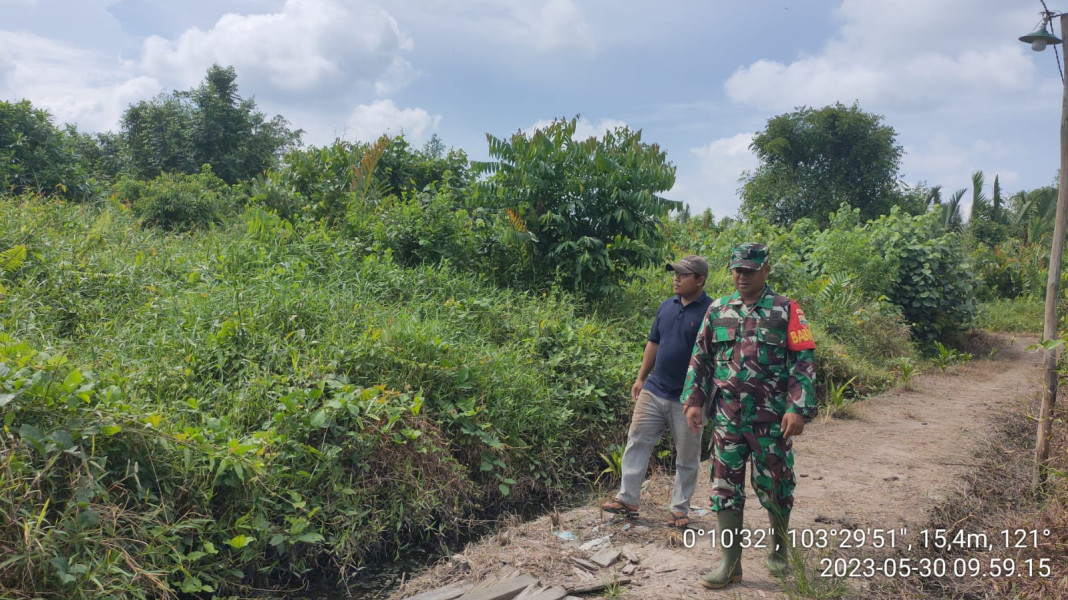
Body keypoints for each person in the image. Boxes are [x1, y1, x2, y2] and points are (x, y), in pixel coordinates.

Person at [681, 243, 817, 589]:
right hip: (727, 417)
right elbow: (701, 357)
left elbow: (804, 361)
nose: (742, 276)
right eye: (737, 270)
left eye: (750, 270)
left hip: (771, 419)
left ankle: (778, 548)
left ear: (765, 270)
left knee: (776, 485)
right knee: (724, 488)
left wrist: (797, 407)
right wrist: (694, 400)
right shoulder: (719, 309)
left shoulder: (787, 310)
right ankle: (730, 562)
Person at [601, 255, 713, 528]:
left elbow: (714, 357)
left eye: (682, 275)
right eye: (675, 273)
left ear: (699, 281)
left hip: (689, 398)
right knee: (637, 440)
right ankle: (627, 499)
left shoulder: (713, 312)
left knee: (687, 455)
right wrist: (641, 378)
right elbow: (654, 343)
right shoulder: (666, 306)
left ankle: (679, 510)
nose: (676, 278)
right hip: (655, 388)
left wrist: (701, 395)